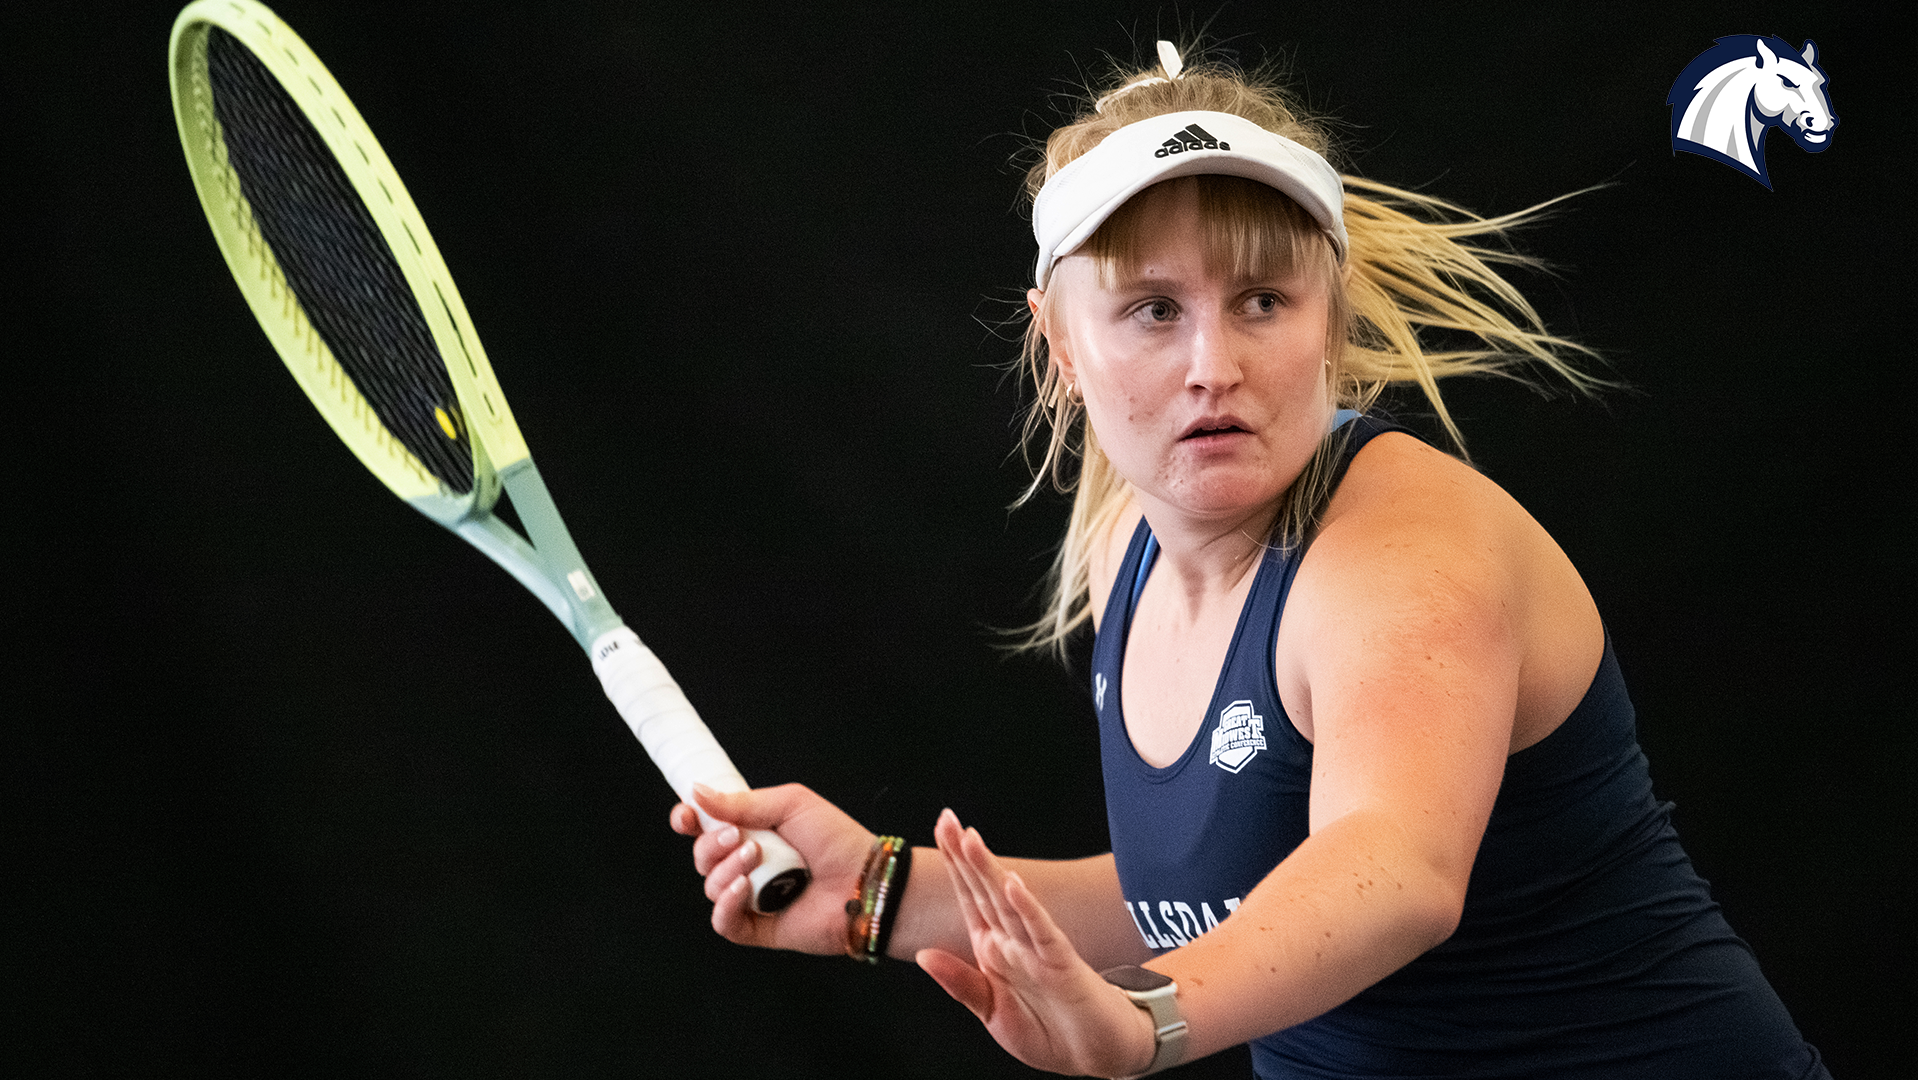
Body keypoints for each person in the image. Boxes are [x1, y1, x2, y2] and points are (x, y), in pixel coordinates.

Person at [669, 42, 1830, 1080]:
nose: (1212, 363)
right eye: (1152, 310)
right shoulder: (1129, 554)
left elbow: (1392, 870)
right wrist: (886, 893)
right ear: (1058, 344)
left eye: (1262, 299)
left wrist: (1147, 1025)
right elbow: (1214, 897)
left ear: (1327, 316)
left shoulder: (1405, 556)